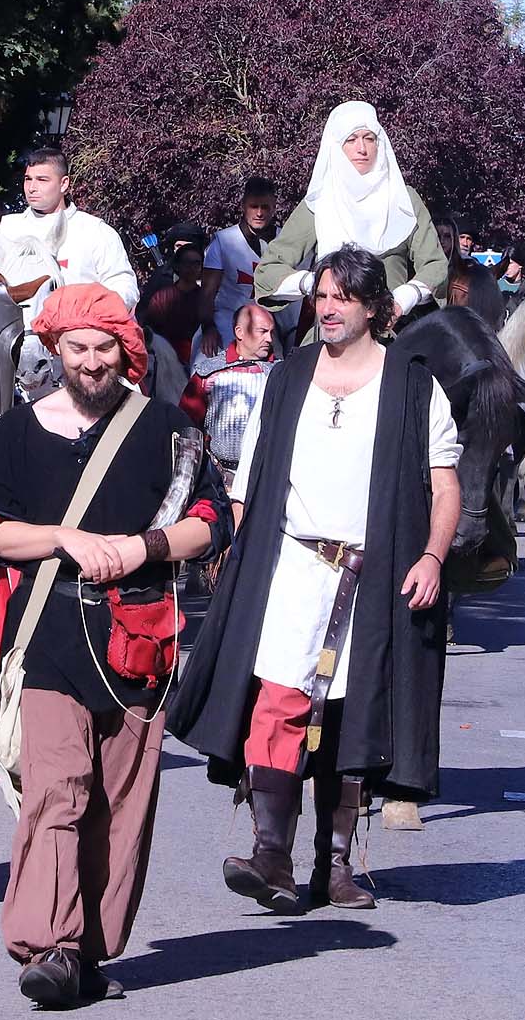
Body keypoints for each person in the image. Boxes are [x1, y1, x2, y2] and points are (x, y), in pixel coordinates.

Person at [168, 245, 460, 915]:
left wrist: (433, 557)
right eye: (321, 296)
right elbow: (252, 477)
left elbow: (445, 485)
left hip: (373, 568)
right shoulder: (289, 375)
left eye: (341, 300)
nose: (326, 309)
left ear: (374, 310)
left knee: (350, 715)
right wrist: (238, 550)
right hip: (292, 561)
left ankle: (333, 866)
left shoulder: (412, 385)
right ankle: (272, 853)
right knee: (279, 702)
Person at [0, 283, 230, 1006]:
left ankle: (89, 948)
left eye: (104, 349)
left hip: (139, 641)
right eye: (77, 349)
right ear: (54, 350)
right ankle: (48, 943)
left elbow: (211, 522)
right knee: (57, 790)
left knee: (119, 803)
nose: (90, 363)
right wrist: (64, 537)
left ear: (127, 352)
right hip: (50, 633)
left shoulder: (161, 428)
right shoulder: (19, 432)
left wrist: (141, 546)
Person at [254, 101, 448, 334]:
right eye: (351, 139)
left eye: (369, 138)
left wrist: (401, 300)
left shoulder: (405, 199)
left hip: (391, 336)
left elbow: (436, 265)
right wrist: (316, 283)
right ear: (336, 146)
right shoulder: (321, 202)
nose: (362, 148)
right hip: (332, 336)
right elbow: (267, 271)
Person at [0, 146, 139, 310]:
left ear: (64, 184)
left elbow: (124, 287)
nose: (32, 187)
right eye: (28, 179)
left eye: (42, 180)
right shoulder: (6, 230)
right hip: (15, 332)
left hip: (78, 331)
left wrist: (89, 312)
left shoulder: (95, 231)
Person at [180, 302, 279, 492]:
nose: (269, 339)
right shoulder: (209, 373)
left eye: (271, 333)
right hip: (217, 477)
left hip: (263, 478)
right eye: (262, 331)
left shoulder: (280, 376)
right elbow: (186, 424)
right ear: (240, 332)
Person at [198, 178, 279, 357]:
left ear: (274, 206)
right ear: (243, 206)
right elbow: (207, 292)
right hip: (226, 323)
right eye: (253, 206)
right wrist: (208, 328)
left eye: (265, 207)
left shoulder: (285, 241)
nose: (259, 213)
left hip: (271, 326)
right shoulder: (223, 241)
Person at [433, 214, 505, 327]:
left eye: (469, 239)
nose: (465, 243)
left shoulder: (471, 268)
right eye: (462, 237)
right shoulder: (423, 265)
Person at [145, 244, 207, 362]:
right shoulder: (161, 298)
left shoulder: (206, 299)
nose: (192, 267)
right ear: (178, 266)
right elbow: (152, 334)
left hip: (200, 360)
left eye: (196, 263)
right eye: (187, 262)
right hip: (166, 361)